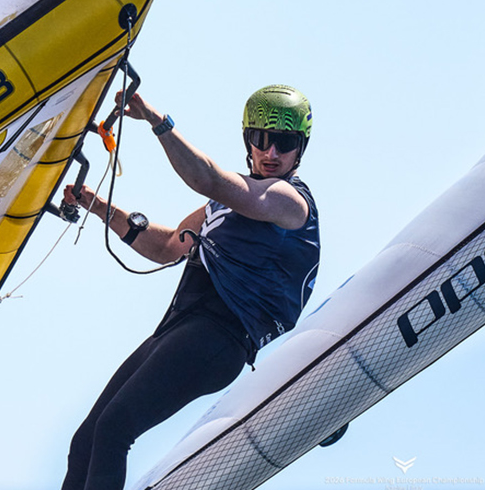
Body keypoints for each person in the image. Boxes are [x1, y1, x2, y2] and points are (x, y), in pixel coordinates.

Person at [58, 85, 320, 490]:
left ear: (299, 148)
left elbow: (210, 179)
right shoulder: (220, 208)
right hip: (179, 328)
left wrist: (155, 119)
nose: (271, 154)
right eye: (261, 140)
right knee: (87, 439)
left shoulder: (288, 201)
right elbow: (165, 246)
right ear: (248, 141)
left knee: (114, 428)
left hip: (220, 337)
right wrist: (96, 205)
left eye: (283, 143)